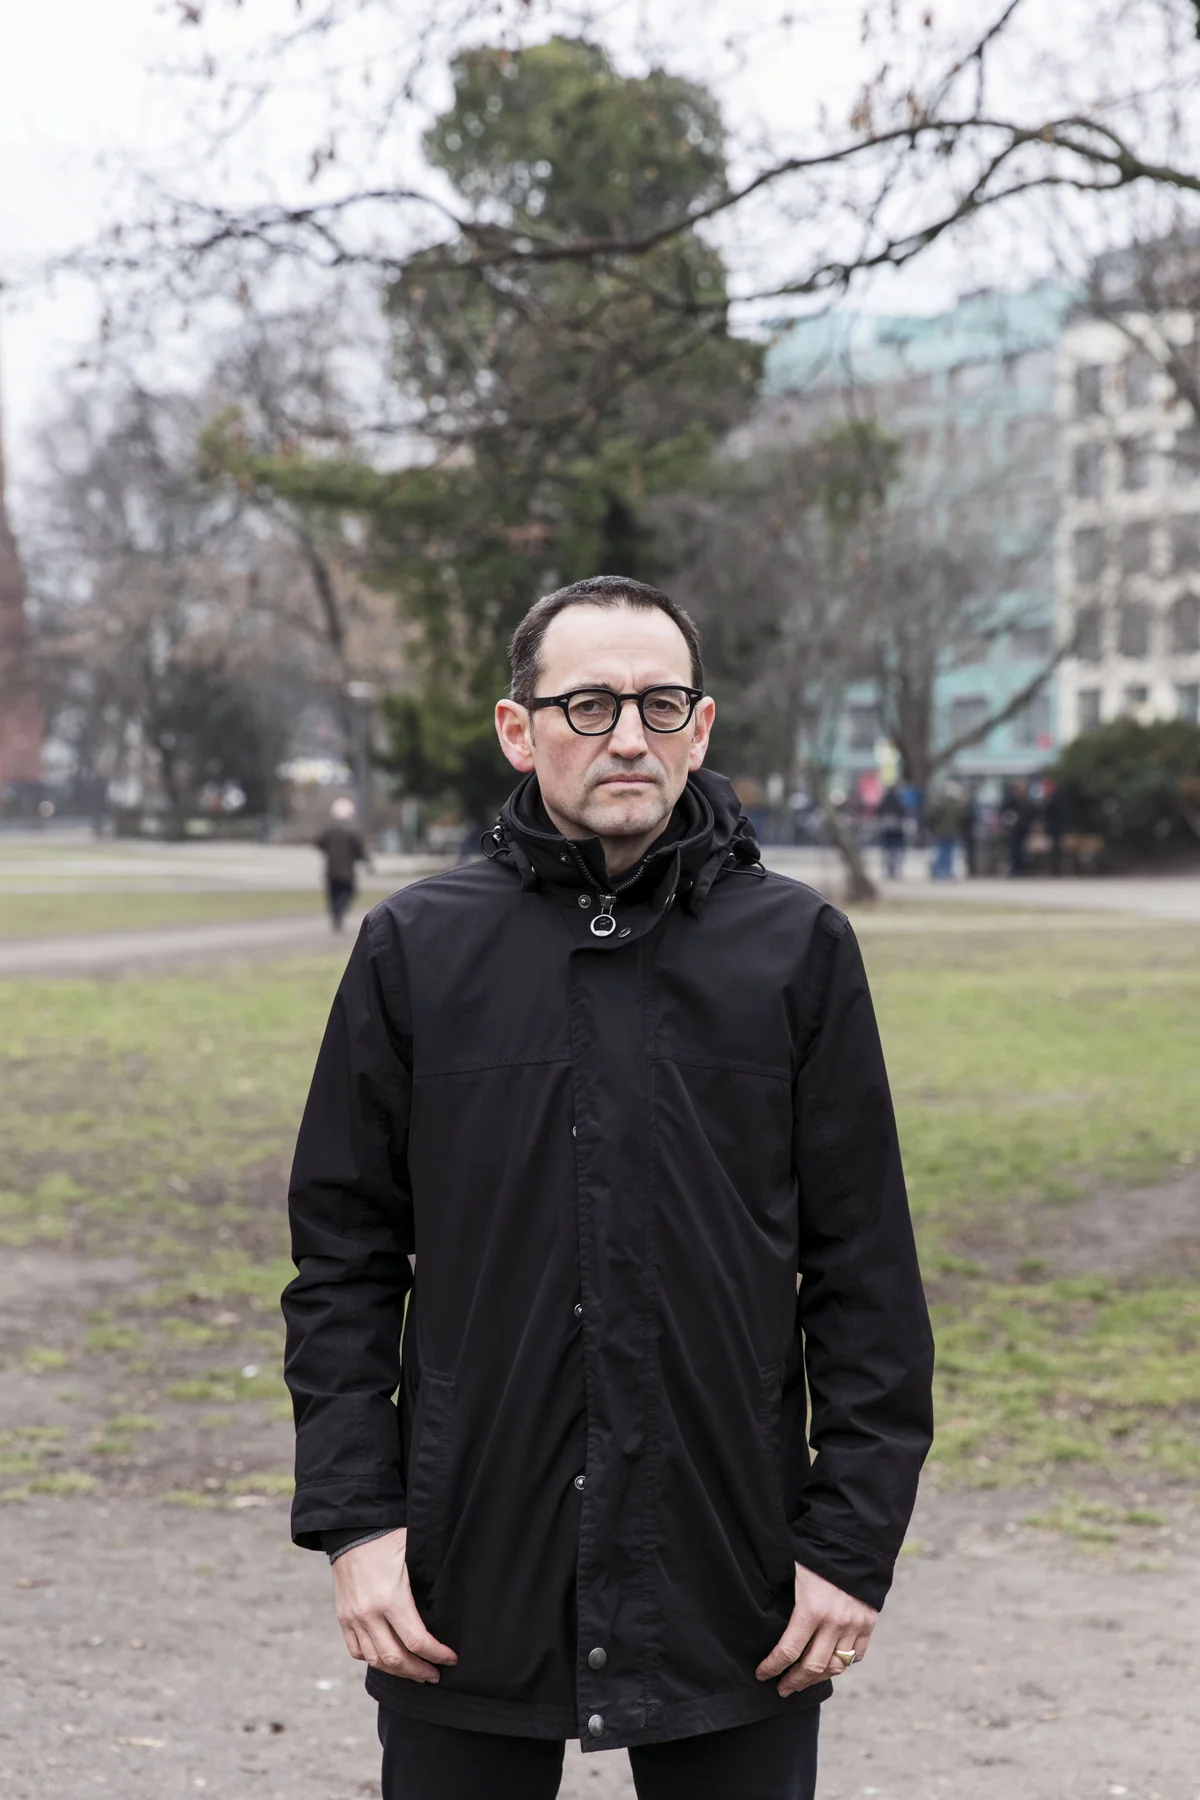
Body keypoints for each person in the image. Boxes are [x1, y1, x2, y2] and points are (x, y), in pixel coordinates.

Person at [283, 576, 934, 1800]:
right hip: (466, 1560)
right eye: (588, 705)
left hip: (730, 1561)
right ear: (518, 731)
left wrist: (850, 1545)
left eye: (659, 703)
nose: (628, 735)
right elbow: (342, 1266)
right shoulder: (415, 951)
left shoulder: (797, 952)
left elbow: (867, 1279)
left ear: (701, 726)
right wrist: (358, 1523)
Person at [315, 796, 369, 931]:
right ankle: (339, 912)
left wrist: (328, 851)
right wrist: (366, 862)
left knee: (333, 894)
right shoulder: (352, 831)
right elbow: (360, 849)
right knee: (348, 892)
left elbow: (318, 842)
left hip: (331, 869)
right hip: (347, 871)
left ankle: (336, 915)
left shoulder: (329, 831)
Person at [876, 784, 907, 880]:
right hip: (897, 830)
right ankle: (894, 870)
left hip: (885, 830)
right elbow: (903, 813)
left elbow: (878, 812)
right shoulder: (898, 802)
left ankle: (887, 870)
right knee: (896, 851)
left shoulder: (884, 802)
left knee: (886, 851)